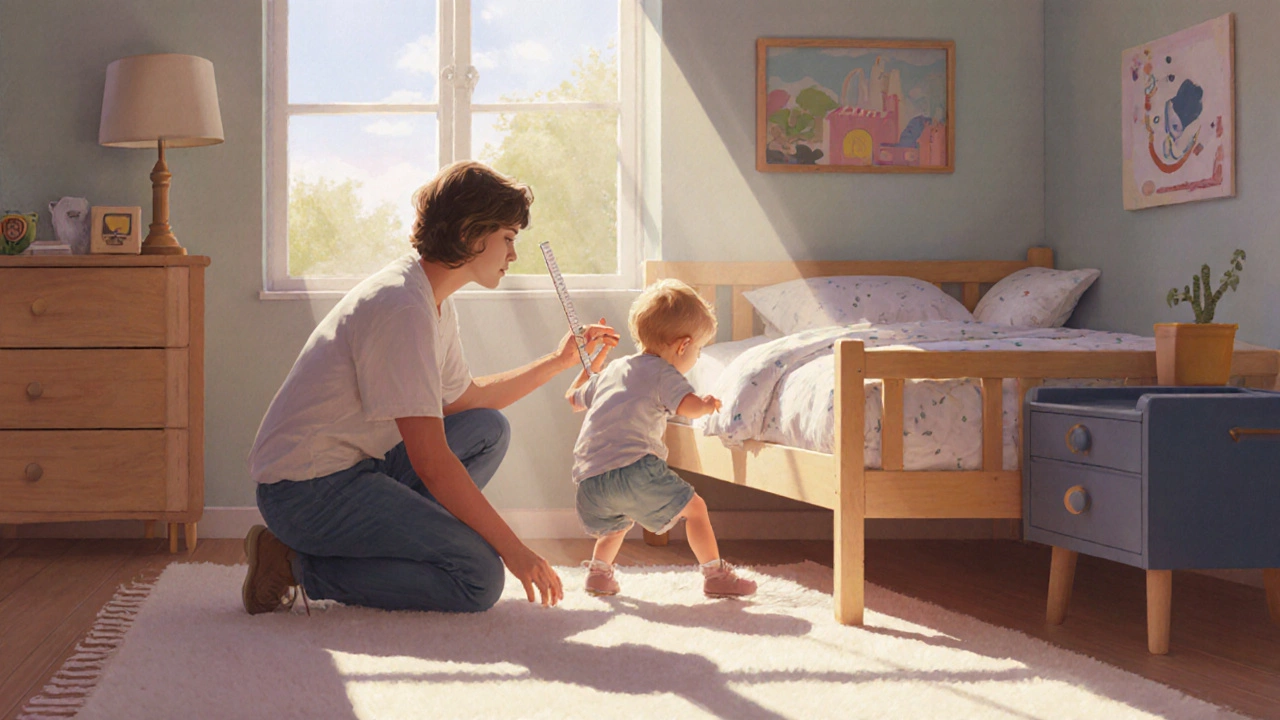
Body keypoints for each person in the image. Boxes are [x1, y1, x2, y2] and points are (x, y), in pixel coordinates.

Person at [243, 160, 618, 615]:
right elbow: (433, 462)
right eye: (507, 238)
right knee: (478, 578)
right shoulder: (403, 308)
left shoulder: (430, 298)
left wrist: (559, 362)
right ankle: (293, 564)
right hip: (305, 493)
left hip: (355, 470)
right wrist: (515, 551)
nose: (513, 254)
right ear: (470, 234)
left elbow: (464, 402)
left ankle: (402, 546)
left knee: (486, 428)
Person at [566, 279, 757, 598]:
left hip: (589, 482)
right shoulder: (663, 373)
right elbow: (688, 407)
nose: (695, 358)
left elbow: (573, 398)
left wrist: (596, 360)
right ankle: (715, 574)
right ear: (683, 345)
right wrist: (707, 404)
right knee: (696, 509)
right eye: (697, 350)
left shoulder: (615, 369)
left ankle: (599, 573)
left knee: (618, 522)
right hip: (634, 471)